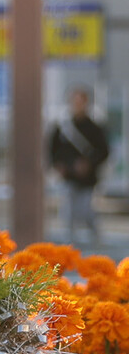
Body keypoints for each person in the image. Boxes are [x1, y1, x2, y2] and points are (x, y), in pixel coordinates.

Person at [50, 86, 110, 246]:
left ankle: (96, 239)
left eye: (81, 101)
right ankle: (69, 244)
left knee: (86, 210)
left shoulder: (95, 128)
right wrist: (59, 165)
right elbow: (53, 150)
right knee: (67, 211)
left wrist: (89, 164)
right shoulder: (62, 127)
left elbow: (104, 151)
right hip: (68, 177)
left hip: (87, 180)